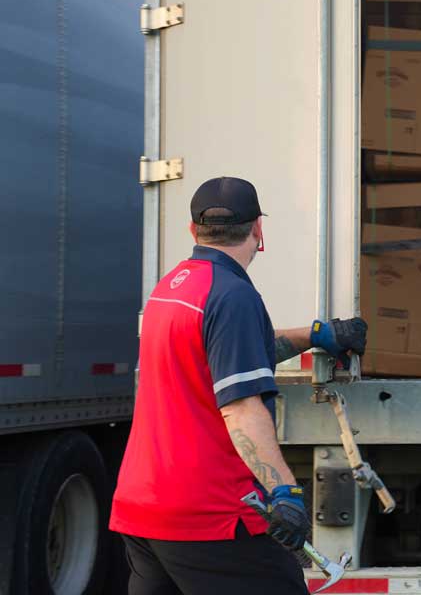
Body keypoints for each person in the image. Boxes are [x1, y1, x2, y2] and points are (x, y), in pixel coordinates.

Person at [110, 176, 368, 594]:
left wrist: (317, 334)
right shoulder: (232, 296)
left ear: (193, 230)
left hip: (145, 507)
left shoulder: (174, 287)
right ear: (258, 230)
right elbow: (241, 409)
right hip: (210, 514)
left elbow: (232, 351)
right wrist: (283, 491)